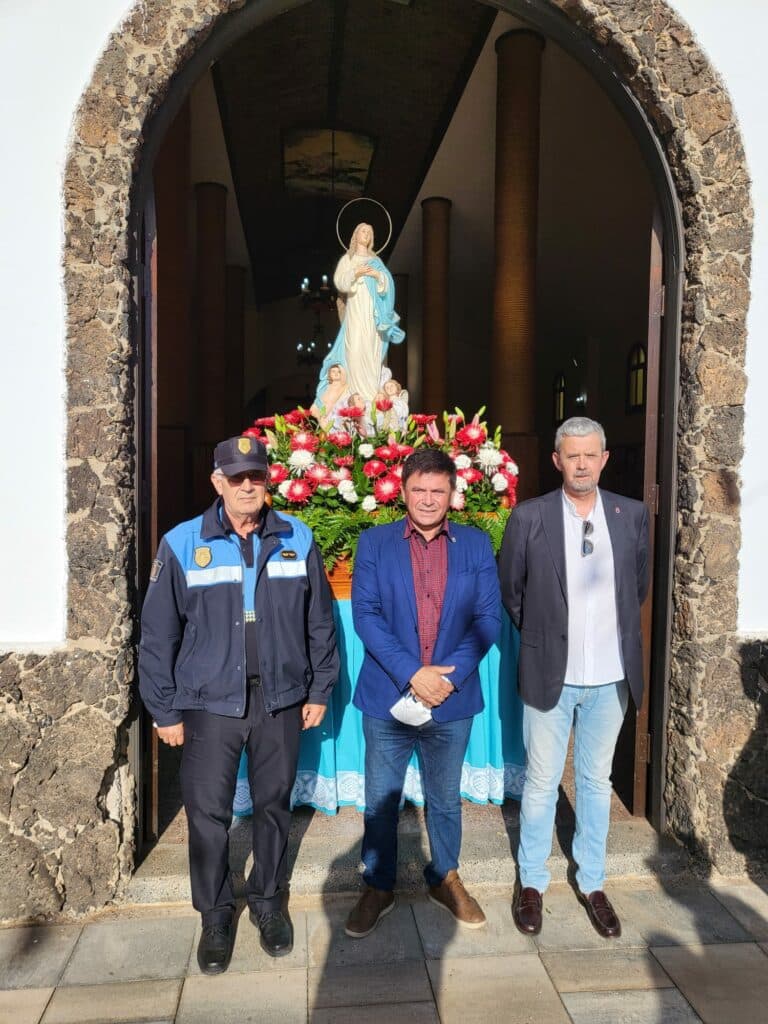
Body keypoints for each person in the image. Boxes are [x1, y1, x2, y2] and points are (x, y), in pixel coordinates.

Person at [138, 436, 339, 974]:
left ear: (268, 480)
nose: (248, 486)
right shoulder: (183, 543)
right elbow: (158, 636)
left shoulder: (298, 537)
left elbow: (320, 622)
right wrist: (164, 711)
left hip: (279, 699)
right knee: (208, 816)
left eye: (256, 476)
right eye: (237, 477)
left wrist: (319, 689)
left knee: (274, 805)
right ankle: (216, 915)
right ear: (217, 482)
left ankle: (269, 904)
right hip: (207, 704)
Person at [498, 417, 649, 939]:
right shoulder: (530, 517)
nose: (582, 464)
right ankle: (533, 883)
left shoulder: (631, 516)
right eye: (572, 455)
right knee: (541, 783)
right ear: (557, 460)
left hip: (611, 679)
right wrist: (543, 638)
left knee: (595, 782)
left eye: (591, 455)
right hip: (549, 674)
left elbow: (637, 587)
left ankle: (593, 883)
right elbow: (512, 593)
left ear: (604, 459)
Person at [345, 448, 501, 937]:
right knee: (380, 800)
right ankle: (379, 885)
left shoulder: (476, 545)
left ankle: (445, 877)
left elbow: (488, 619)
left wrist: (447, 678)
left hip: (452, 699)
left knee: (445, 798)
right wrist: (414, 673)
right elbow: (366, 616)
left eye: (439, 491)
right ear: (402, 490)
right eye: (419, 490)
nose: (429, 500)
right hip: (389, 695)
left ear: (452, 494)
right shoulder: (374, 543)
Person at [314, 222, 405, 406]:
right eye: (363, 231)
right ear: (355, 235)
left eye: (370, 232)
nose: (367, 234)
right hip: (355, 312)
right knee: (354, 349)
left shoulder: (376, 262)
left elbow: (388, 284)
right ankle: (355, 399)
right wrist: (356, 272)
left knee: (371, 352)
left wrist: (378, 276)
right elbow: (340, 282)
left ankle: (372, 400)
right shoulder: (348, 259)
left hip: (372, 315)